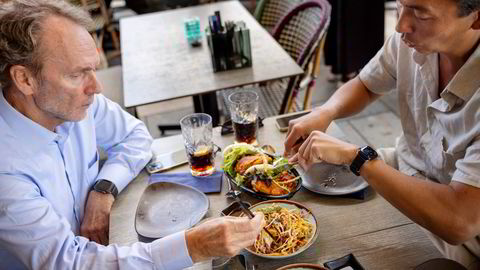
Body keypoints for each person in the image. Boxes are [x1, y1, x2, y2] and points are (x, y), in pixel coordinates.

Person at [0, 0, 264, 269]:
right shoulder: (6, 172)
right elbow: (70, 262)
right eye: (77, 74)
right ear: (24, 79)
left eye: (93, 68)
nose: (96, 86)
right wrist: (195, 245)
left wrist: (103, 189)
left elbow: (136, 136)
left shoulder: (71, 103)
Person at [285, 0, 480, 268]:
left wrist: (358, 158)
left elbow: (459, 222)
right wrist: (325, 112)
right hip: (402, 168)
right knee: (302, 210)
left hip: (455, 238)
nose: (401, 25)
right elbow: (366, 85)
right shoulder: (410, 41)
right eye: (401, 5)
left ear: (476, 18)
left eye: (421, 14)